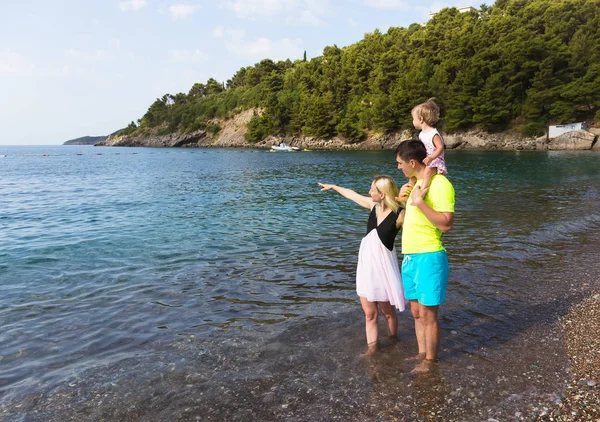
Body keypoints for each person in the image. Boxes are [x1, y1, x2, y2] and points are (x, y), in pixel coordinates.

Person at [318, 176, 407, 356]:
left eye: (372, 189)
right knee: (369, 314)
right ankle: (372, 350)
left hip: (383, 270)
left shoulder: (400, 214)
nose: (369, 192)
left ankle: (393, 339)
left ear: (382, 194)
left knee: (387, 312)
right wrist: (334, 185)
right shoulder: (373, 206)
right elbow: (352, 195)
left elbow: (418, 224)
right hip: (366, 269)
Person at [395, 140, 455, 374]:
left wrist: (419, 203)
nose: (398, 167)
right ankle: (422, 354)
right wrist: (404, 200)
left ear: (412, 162)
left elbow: (446, 224)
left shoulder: (440, 185)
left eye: (400, 163)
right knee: (416, 312)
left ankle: (430, 362)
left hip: (430, 255)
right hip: (410, 255)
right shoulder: (418, 183)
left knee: (429, 315)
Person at [410, 98, 448, 192]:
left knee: (427, 173)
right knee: (414, 173)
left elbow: (440, 147)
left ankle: (422, 191)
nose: (413, 121)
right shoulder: (421, 134)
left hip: (435, 161)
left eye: (413, 119)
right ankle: (409, 189)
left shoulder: (433, 133)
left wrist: (431, 158)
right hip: (426, 160)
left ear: (421, 119)